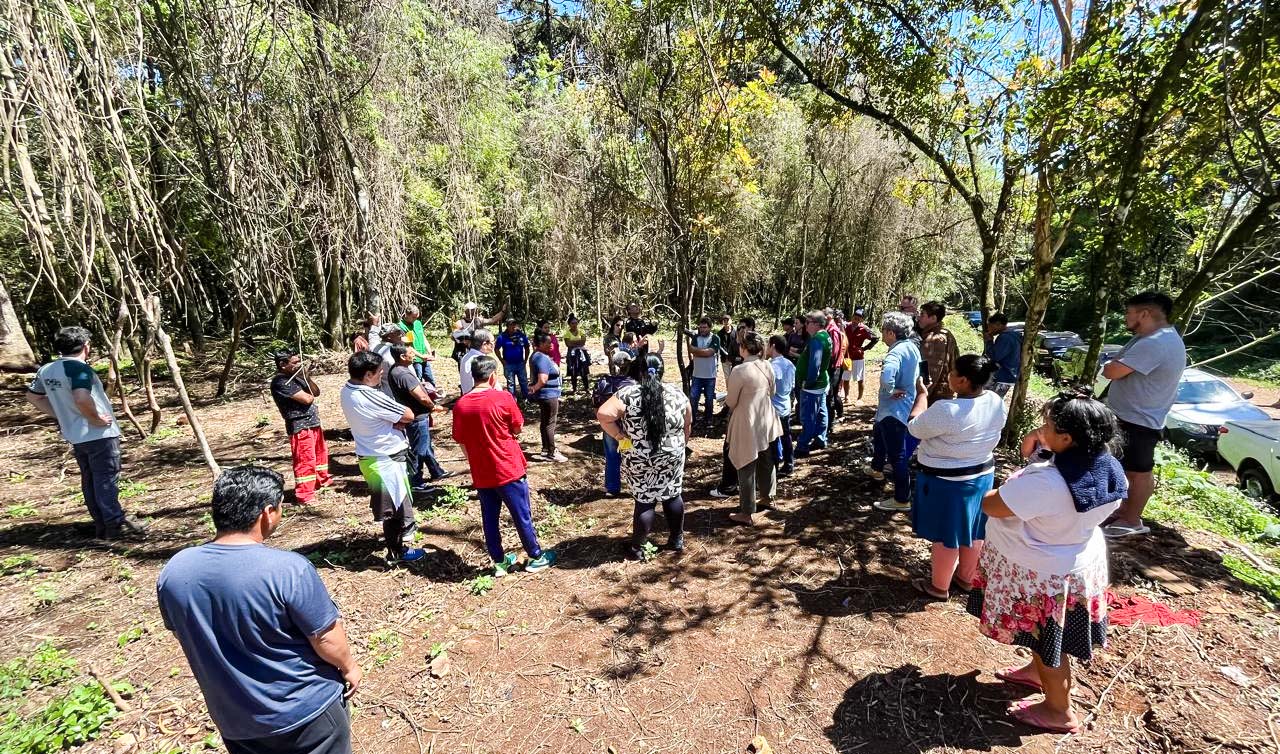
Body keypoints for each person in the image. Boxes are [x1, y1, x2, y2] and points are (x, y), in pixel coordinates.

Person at [157, 466, 359, 754]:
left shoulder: (175, 571)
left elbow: (185, 634)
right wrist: (350, 667)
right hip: (306, 714)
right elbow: (326, 638)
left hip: (236, 722)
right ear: (267, 513)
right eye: (280, 507)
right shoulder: (288, 569)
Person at [967, 394, 1127, 734]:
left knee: (1047, 642)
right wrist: (1041, 454)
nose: (1042, 429)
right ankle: (1035, 673)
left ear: (1067, 438)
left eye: (1049, 426)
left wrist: (1019, 477)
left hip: (1040, 574)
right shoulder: (1108, 465)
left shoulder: (1047, 482)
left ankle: (1059, 710)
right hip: (1074, 559)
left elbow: (991, 505)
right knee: (1043, 639)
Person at [26, 326, 148, 539]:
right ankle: (114, 525)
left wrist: (62, 414)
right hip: (99, 434)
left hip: (75, 434)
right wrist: (96, 419)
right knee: (105, 479)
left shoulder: (46, 370)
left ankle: (101, 523)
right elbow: (81, 397)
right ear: (86, 346)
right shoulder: (78, 369)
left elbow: (33, 397)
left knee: (90, 479)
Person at [906, 355, 1006, 599]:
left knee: (946, 534)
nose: (948, 375)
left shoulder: (947, 410)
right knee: (973, 528)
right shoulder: (995, 401)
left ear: (963, 380)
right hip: (982, 475)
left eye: (952, 372)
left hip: (948, 482)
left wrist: (922, 395)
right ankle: (966, 578)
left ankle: (939, 586)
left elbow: (914, 427)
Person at [452, 357, 557, 575]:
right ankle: (536, 556)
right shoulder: (502, 397)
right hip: (508, 468)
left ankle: (499, 561)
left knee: (489, 518)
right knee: (522, 515)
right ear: (492, 376)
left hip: (482, 472)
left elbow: (461, 440)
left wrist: (474, 460)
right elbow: (517, 427)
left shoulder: (461, 404)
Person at [1101, 291, 1186, 538]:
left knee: (1138, 472)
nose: (1125, 317)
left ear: (1144, 314)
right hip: (1133, 414)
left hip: (1140, 418)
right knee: (1129, 468)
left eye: (1129, 312)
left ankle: (1132, 520)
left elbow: (1112, 370)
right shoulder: (1147, 338)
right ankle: (1123, 511)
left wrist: (1109, 366)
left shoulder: (1156, 342)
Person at [596, 353, 692, 558]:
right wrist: (680, 445)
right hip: (672, 454)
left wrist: (619, 435)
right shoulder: (677, 392)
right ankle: (676, 540)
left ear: (639, 371)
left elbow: (603, 415)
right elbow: (688, 423)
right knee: (672, 495)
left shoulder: (628, 394)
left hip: (639, 456)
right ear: (662, 371)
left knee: (645, 500)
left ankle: (637, 549)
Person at [339, 351, 425, 564]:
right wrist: (395, 421)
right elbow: (408, 415)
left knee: (394, 505)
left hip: (369, 455)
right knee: (393, 510)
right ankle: (396, 553)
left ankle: (398, 545)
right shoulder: (371, 396)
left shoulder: (347, 390)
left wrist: (391, 422)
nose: (381, 375)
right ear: (368, 375)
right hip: (385, 459)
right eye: (379, 372)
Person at [725, 333, 783, 526]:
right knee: (766, 459)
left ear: (744, 348)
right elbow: (773, 392)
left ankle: (747, 511)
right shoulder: (767, 365)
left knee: (745, 462)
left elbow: (731, 401)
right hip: (766, 418)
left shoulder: (739, 370)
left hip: (747, 421)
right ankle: (768, 497)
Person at [869, 311, 923, 512]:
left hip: (893, 411)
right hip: (902, 407)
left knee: (897, 456)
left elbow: (887, 376)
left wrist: (890, 389)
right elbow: (921, 373)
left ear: (891, 333)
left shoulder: (895, 352)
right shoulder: (912, 347)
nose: (882, 334)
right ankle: (876, 469)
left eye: (883, 330)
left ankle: (902, 498)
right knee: (880, 437)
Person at [270, 350, 332, 504]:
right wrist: (306, 389)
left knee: (320, 454)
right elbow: (307, 399)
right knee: (305, 460)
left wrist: (306, 377)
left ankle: (321, 481)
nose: (299, 365)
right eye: (295, 362)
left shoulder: (297, 377)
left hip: (313, 422)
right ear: (283, 364)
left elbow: (316, 392)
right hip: (299, 425)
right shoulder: (280, 382)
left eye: (299, 361)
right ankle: (305, 495)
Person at [387, 345, 450, 489]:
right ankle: (416, 482)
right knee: (419, 450)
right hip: (417, 417)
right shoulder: (403, 374)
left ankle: (436, 471)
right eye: (411, 353)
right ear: (403, 356)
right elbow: (422, 397)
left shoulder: (397, 370)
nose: (414, 355)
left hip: (416, 415)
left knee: (425, 446)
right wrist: (433, 406)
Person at [594, 352, 637, 497]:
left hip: (610, 426)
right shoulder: (635, 383)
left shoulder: (603, 382)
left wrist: (605, 423)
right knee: (634, 456)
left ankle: (612, 488)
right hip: (632, 426)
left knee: (612, 456)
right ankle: (637, 487)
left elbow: (596, 406)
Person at [795, 311, 832, 457]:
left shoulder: (817, 340)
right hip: (821, 383)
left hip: (813, 386)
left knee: (808, 416)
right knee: (821, 411)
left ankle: (803, 445)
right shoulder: (825, 336)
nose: (805, 325)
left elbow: (815, 365)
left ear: (816, 324)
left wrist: (808, 382)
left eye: (808, 322)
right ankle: (821, 438)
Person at [529, 333, 567, 463]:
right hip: (548, 395)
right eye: (548, 343)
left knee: (545, 422)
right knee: (550, 423)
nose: (551, 345)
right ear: (540, 344)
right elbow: (543, 379)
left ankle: (545, 449)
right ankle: (552, 452)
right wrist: (535, 388)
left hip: (547, 394)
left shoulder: (538, 356)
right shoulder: (541, 358)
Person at [918, 301, 960, 405]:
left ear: (933, 318)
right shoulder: (945, 334)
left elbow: (929, 372)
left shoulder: (934, 339)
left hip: (935, 394)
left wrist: (921, 397)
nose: (919, 318)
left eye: (922, 315)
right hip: (944, 391)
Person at [767, 335, 796, 476]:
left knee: (773, 439)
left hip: (774, 408)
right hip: (785, 405)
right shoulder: (789, 364)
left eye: (767, 344)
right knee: (786, 436)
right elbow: (793, 385)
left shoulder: (773, 367)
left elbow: (769, 387)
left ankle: (774, 467)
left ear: (773, 346)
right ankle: (789, 463)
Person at [687, 317, 720, 428]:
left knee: (709, 399)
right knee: (693, 398)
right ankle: (693, 420)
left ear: (710, 327)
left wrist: (698, 351)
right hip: (697, 374)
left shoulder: (715, 338)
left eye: (705, 327)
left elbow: (709, 352)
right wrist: (702, 351)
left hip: (710, 375)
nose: (702, 329)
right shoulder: (695, 337)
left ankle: (708, 420)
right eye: (701, 327)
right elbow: (691, 350)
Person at [843, 308, 878, 406]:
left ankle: (859, 398)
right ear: (852, 317)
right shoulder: (846, 326)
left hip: (858, 357)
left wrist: (864, 348)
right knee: (846, 377)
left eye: (858, 319)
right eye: (855, 318)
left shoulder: (864, 329)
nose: (856, 320)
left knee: (860, 378)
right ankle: (846, 396)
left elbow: (875, 338)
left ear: (861, 320)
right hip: (847, 356)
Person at [984, 312, 1022, 397]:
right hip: (1009, 374)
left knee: (990, 400)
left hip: (1002, 376)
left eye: (990, 326)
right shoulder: (1014, 336)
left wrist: (989, 341)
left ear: (998, 324)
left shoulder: (1005, 338)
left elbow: (994, 356)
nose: (989, 329)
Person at [399, 306, 437, 388]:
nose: (415, 319)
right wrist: (421, 356)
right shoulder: (402, 326)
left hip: (424, 357)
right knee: (418, 381)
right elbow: (408, 347)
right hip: (414, 359)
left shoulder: (418, 323)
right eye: (413, 317)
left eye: (417, 317)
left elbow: (423, 337)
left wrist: (429, 351)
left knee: (430, 380)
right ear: (407, 315)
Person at [495, 319, 531, 400]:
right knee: (511, 383)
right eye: (511, 325)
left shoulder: (521, 335)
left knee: (524, 381)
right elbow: (496, 349)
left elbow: (527, 347)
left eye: (514, 324)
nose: (513, 327)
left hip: (520, 363)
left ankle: (526, 398)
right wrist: (502, 360)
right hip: (508, 364)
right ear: (507, 326)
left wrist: (525, 359)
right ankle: (512, 400)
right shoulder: (502, 337)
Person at [458, 329, 495, 395]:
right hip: (480, 397)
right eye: (492, 341)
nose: (494, 344)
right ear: (484, 344)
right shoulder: (480, 361)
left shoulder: (467, 356)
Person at [825, 309, 847, 419]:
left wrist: (826, 363)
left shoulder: (833, 330)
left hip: (834, 367)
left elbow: (834, 352)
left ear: (829, 316)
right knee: (831, 393)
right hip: (831, 366)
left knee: (831, 394)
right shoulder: (827, 329)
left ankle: (832, 419)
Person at [563, 314, 590, 394]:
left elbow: (583, 342)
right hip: (572, 354)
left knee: (584, 371)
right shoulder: (567, 333)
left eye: (576, 323)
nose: (574, 325)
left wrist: (573, 342)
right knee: (573, 371)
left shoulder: (581, 331)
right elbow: (568, 344)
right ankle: (574, 389)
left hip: (581, 353)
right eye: (572, 323)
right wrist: (578, 342)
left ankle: (587, 388)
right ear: (569, 324)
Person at [715, 314, 735, 384]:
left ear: (731, 321)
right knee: (727, 378)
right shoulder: (720, 333)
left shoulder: (736, 332)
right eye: (724, 320)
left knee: (735, 377)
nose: (726, 322)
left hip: (734, 359)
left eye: (727, 320)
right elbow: (719, 346)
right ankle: (729, 390)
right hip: (725, 359)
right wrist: (725, 353)